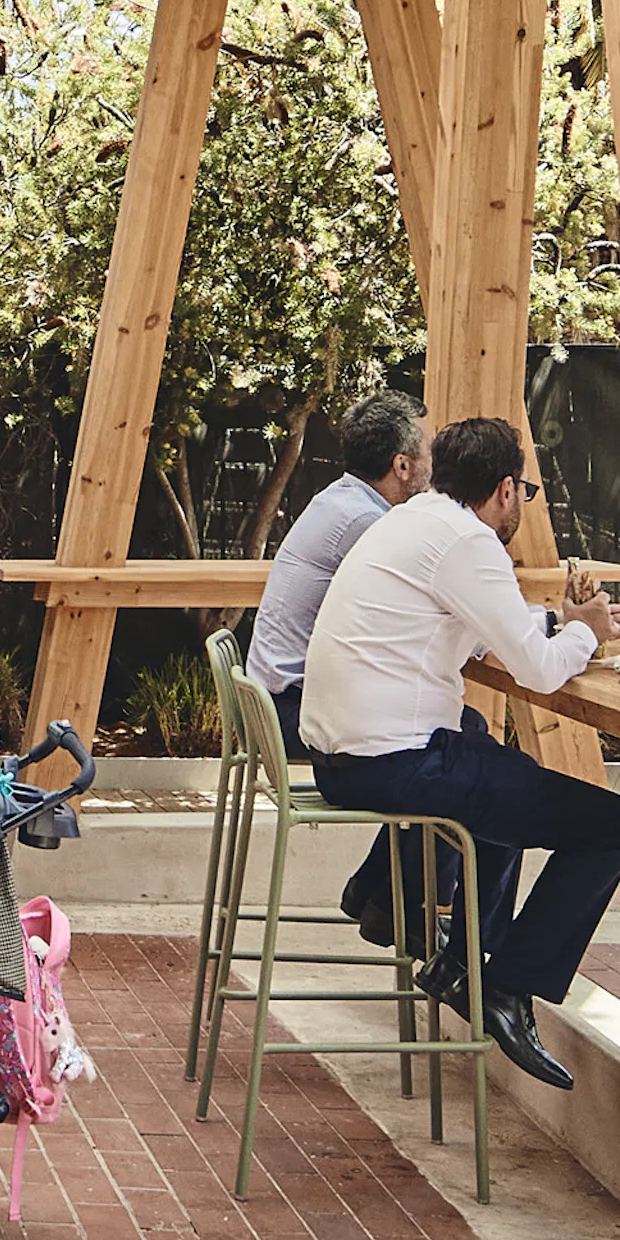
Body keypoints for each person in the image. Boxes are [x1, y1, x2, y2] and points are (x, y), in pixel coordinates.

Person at [297, 416, 620, 1089]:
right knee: (613, 825)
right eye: (526, 494)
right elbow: (540, 671)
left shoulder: (411, 520)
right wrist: (585, 634)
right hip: (394, 767)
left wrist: (562, 628)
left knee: (496, 765)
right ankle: (507, 987)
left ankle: (435, 938)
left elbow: (481, 629)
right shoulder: (469, 543)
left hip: (341, 759)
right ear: (507, 489)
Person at [243, 392, 432, 944]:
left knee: (446, 742)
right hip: (292, 712)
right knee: (453, 746)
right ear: (402, 465)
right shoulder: (367, 526)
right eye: (430, 448)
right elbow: (424, 620)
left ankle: (385, 898)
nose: (437, 462)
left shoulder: (342, 502)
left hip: (276, 705)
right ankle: (397, 907)